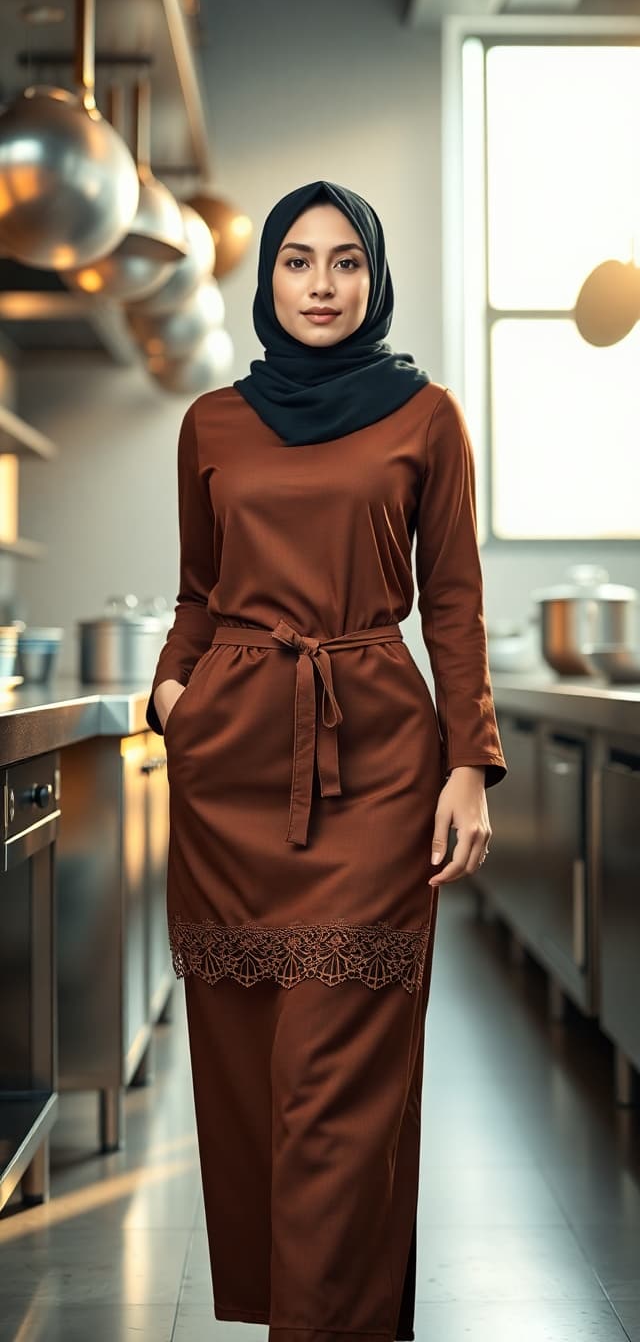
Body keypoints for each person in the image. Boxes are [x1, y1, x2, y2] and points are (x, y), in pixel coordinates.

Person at [146, 178, 507, 1342]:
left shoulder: (427, 418)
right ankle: (291, 1309)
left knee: (334, 1088)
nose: (320, 285)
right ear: (266, 282)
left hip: (379, 768)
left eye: (344, 262)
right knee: (253, 1075)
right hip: (232, 774)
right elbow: (200, 591)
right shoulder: (210, 422)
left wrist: (468, 763)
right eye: (297, 262)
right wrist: (172, 687)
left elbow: (451, 599)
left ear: (374, 277)